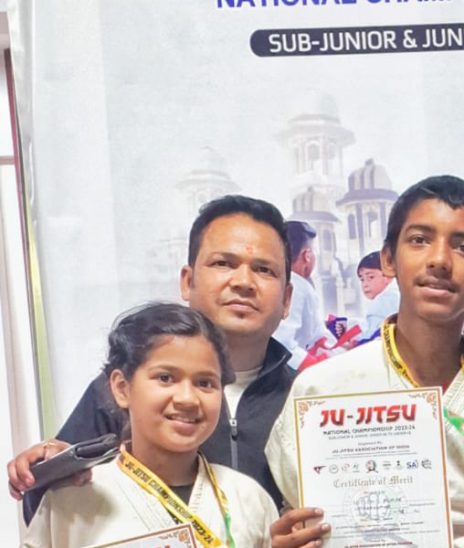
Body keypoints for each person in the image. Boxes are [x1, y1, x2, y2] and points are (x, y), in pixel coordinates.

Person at [266, 175, 464, 548]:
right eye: (419, 240)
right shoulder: (321, 390)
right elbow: (296, 526)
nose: (440, 260)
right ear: (388, 260)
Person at [7, 195, 296, 509]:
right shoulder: (126, 387)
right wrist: (49, 474)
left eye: (264, 270)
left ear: (286, 300)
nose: (243, 282)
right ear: (187, 281)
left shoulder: (306, 399)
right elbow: (50, 512)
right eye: (223, 263)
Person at [11, 303, 277, 548]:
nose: (187, 398)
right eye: (165, 378)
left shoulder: (248, 498)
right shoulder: (72, 500)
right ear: (122, 388)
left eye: (205, 383)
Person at [273, 220, 332, 368]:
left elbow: (314, 334)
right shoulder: (296, 286)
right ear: (307, 255)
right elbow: (282, 343)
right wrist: (316, 366)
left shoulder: (293, 282)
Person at [358, 250, 400, 336]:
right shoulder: (398, 293)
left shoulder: (384, 300)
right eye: (362, 279)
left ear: (388, 276)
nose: (365, 284)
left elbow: (371, 336)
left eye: (371, 277)